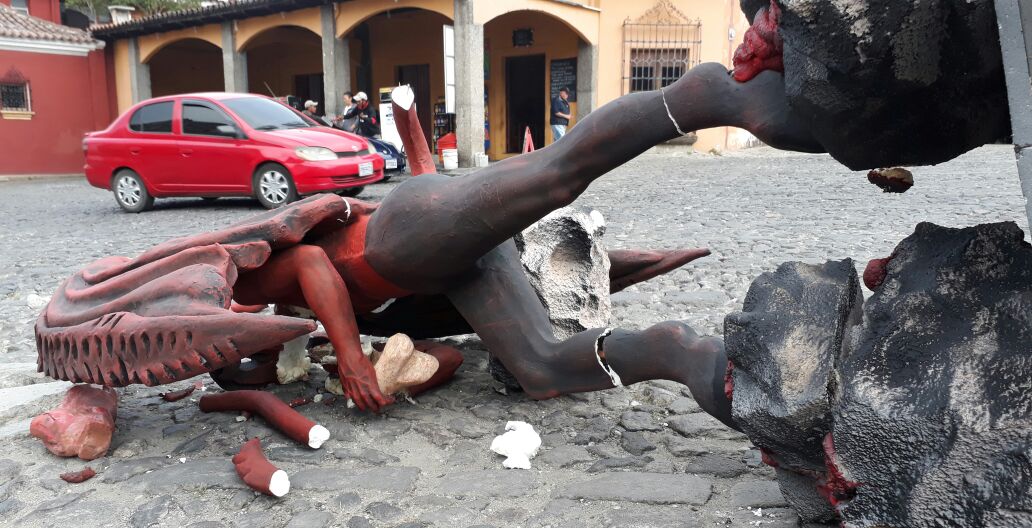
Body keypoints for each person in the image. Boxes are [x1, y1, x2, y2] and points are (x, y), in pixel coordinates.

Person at [39, 63, 822, 422]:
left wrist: (347, 355)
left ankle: (703, 98)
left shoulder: (225, 274)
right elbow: (288, 352)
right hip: (443, 270)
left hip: (401, 235)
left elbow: (311, 258)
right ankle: (687, 357)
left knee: (552, 177)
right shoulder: (237, 342)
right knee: (543, 368)